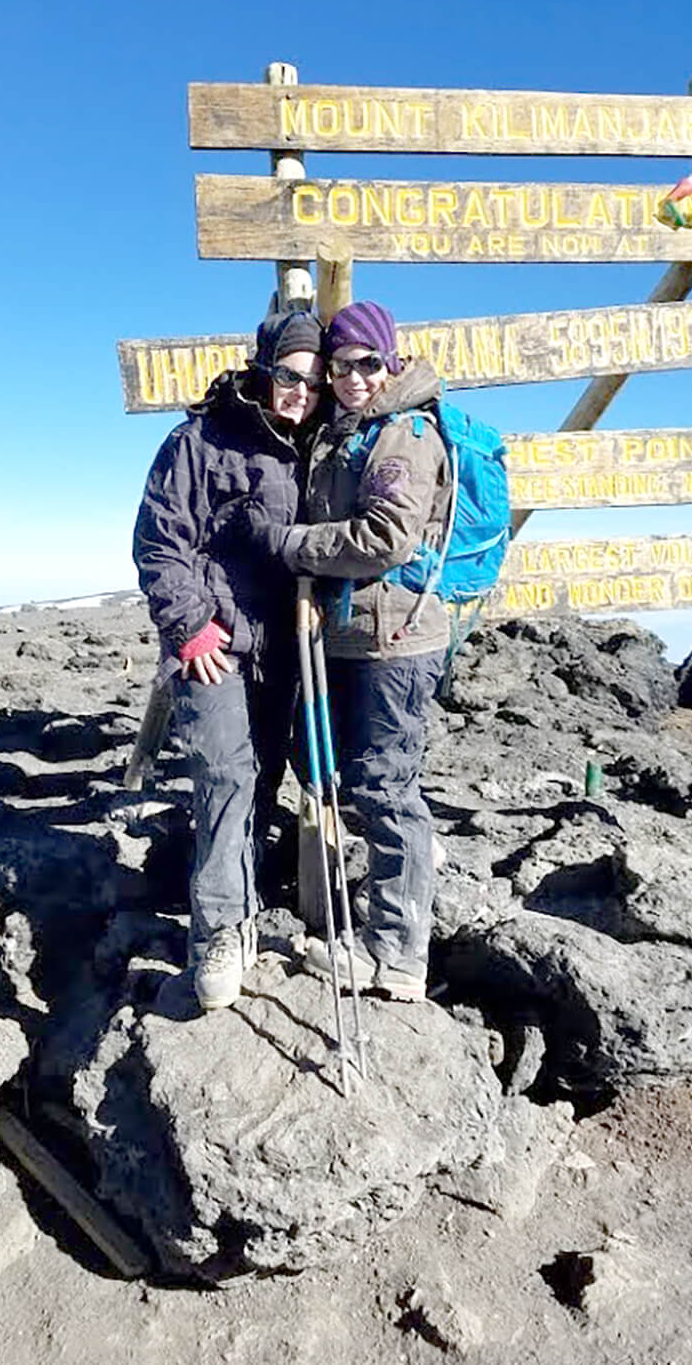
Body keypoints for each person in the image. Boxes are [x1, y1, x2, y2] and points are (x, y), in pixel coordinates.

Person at [237, 300, 450, 1001]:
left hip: (394, 641)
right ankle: (405, 880)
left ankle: (397, 956)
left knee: (386, 788)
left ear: (390, 360)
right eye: (339, 366)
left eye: (366, 362)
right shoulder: (351, 429)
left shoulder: (404, 435)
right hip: (353, 634)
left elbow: (386, 538)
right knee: (328, 768)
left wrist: (293, 546)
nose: (351, 376)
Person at [132, 309, 325, 1011]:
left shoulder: (322, 445)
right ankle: (216, 932)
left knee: (266, 778)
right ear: (264, 369)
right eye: (290, 375)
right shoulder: (199, 441)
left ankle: (247, 906)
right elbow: (159, 542)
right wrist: (189, 627)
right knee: (224, 775)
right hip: (213, 645)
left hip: (287, 647)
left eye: (314, 380)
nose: (301, 391)